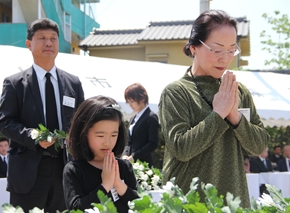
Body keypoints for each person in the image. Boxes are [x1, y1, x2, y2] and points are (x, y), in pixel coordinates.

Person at [158, 9, 270, 208]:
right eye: (217, 50)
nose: (225, 58)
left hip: (233, 202)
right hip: (189, 203)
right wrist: (218, 114)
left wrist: (235, 117)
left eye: (231, 50)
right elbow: (181, 149)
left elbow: (259, 146)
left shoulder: (238, 91)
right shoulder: (176, 92)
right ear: (194, 47)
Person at [0, 18, 84, 212]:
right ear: (29, 44)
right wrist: (33, 137)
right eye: (42, 38)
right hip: (28, 172)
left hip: (65, 170)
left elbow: (82, 124)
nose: (48, 43)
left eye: (53, 38)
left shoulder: (73, 83)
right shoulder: (15, 83)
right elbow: (5, 123)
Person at [63, 95, 139, 212]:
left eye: (114, 135)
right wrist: (105, 186)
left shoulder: (124, 167)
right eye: (100, 135)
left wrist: (118, 184)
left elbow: (139, 205)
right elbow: (76, 208)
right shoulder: (74, 170)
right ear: (84, 133)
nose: (107, 142)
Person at [122, 83, 159, 167]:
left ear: (142, 99)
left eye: (132, 101)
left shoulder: (151, 117)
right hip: (129, 162)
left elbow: (153, 143)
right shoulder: (133, 118)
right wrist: (125, 155)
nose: (130, 105)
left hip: (144, 164)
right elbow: (129, 141)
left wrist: (134, 156)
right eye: (128, 102)